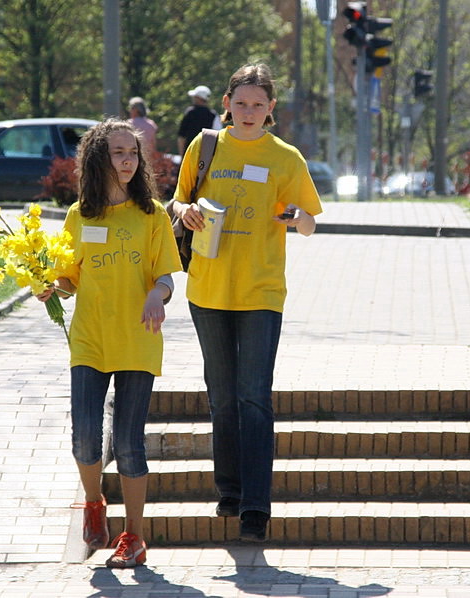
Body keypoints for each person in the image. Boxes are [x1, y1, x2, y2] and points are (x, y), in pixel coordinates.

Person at [171, 63, 323, 542]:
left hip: (260, 291)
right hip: (208, 288)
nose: (250, 112)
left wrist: (297, 217)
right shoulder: (205, 145)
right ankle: (230, 492)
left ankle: (256, 508)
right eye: (241, 104)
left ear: (271, 108)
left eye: (259, 104)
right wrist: (187, 210)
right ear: (226, 104)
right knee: (221, 397)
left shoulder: (286, 157)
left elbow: (310, 223)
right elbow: (174, 202)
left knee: (253, 397)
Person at [37, 119, 182, 568]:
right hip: (90, 340)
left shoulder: (152, 214)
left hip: (139, 339)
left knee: (129, 443)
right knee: (85, 438)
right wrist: (49, 285)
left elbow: (165, 277)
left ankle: (133, 537)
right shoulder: (80, 215)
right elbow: (69, 280)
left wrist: (156, 297)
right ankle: (94, 501)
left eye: (132, 153)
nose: (127, 160)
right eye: (118, 152)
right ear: (98, 158)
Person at [176, 84, 219, 155]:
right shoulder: (213, 115)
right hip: (206, 155)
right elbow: (217, 137)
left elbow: (181, 137)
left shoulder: (190, 112)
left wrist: (182, 155)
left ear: (199, 98)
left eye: (195, 97)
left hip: (190, 152)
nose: (193, 99)